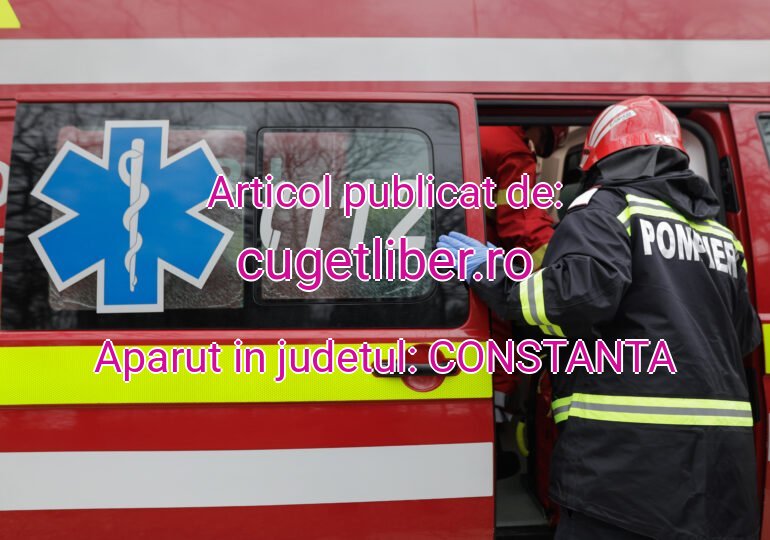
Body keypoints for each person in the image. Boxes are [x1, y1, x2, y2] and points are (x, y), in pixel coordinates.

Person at [438, 96, 761, 539]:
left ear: (598, 155)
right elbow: (742, 337)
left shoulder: (607, 208)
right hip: (721, 473)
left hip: (627, 471)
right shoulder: (721, 236)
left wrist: (495, 275)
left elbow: (573, 301)